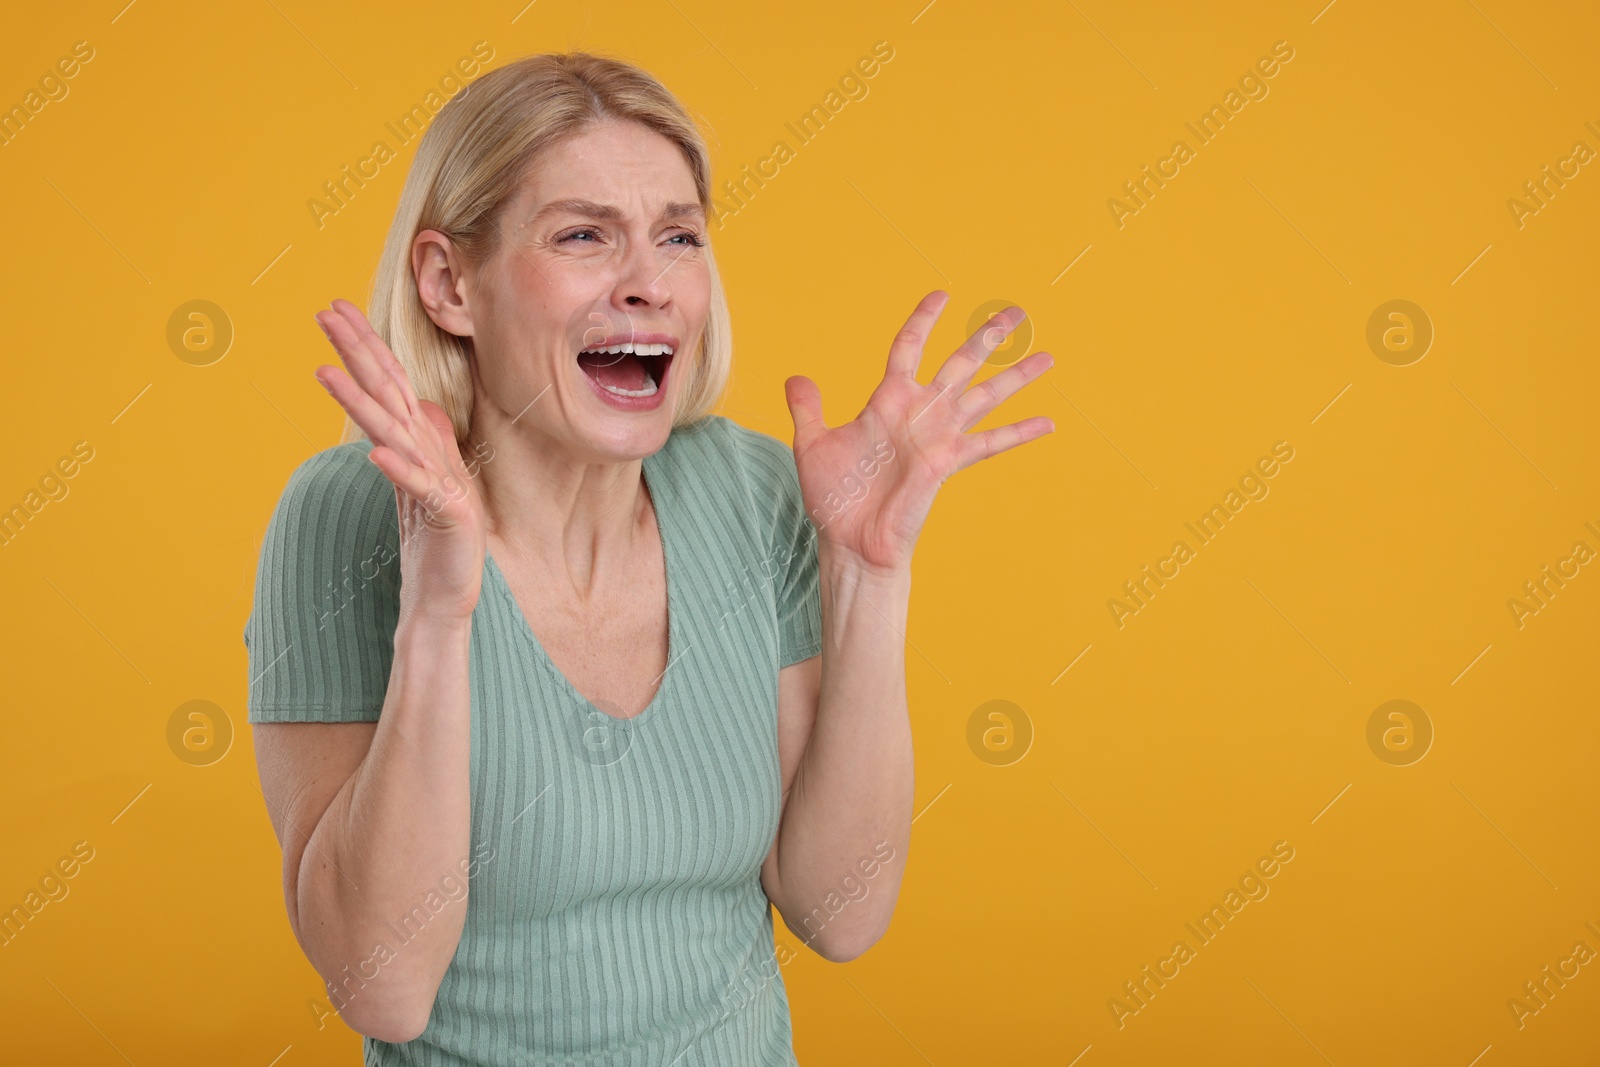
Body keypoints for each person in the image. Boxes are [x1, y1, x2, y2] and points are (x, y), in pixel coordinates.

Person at [243, 50, 1054, 1065]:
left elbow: (838, 911)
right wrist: (440, 610)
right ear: (450, 282)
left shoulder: (755, 492)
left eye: (679, 236)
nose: (648, 285)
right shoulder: (345, 514)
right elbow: (385, 986)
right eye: (584, 235)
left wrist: (867, 577)